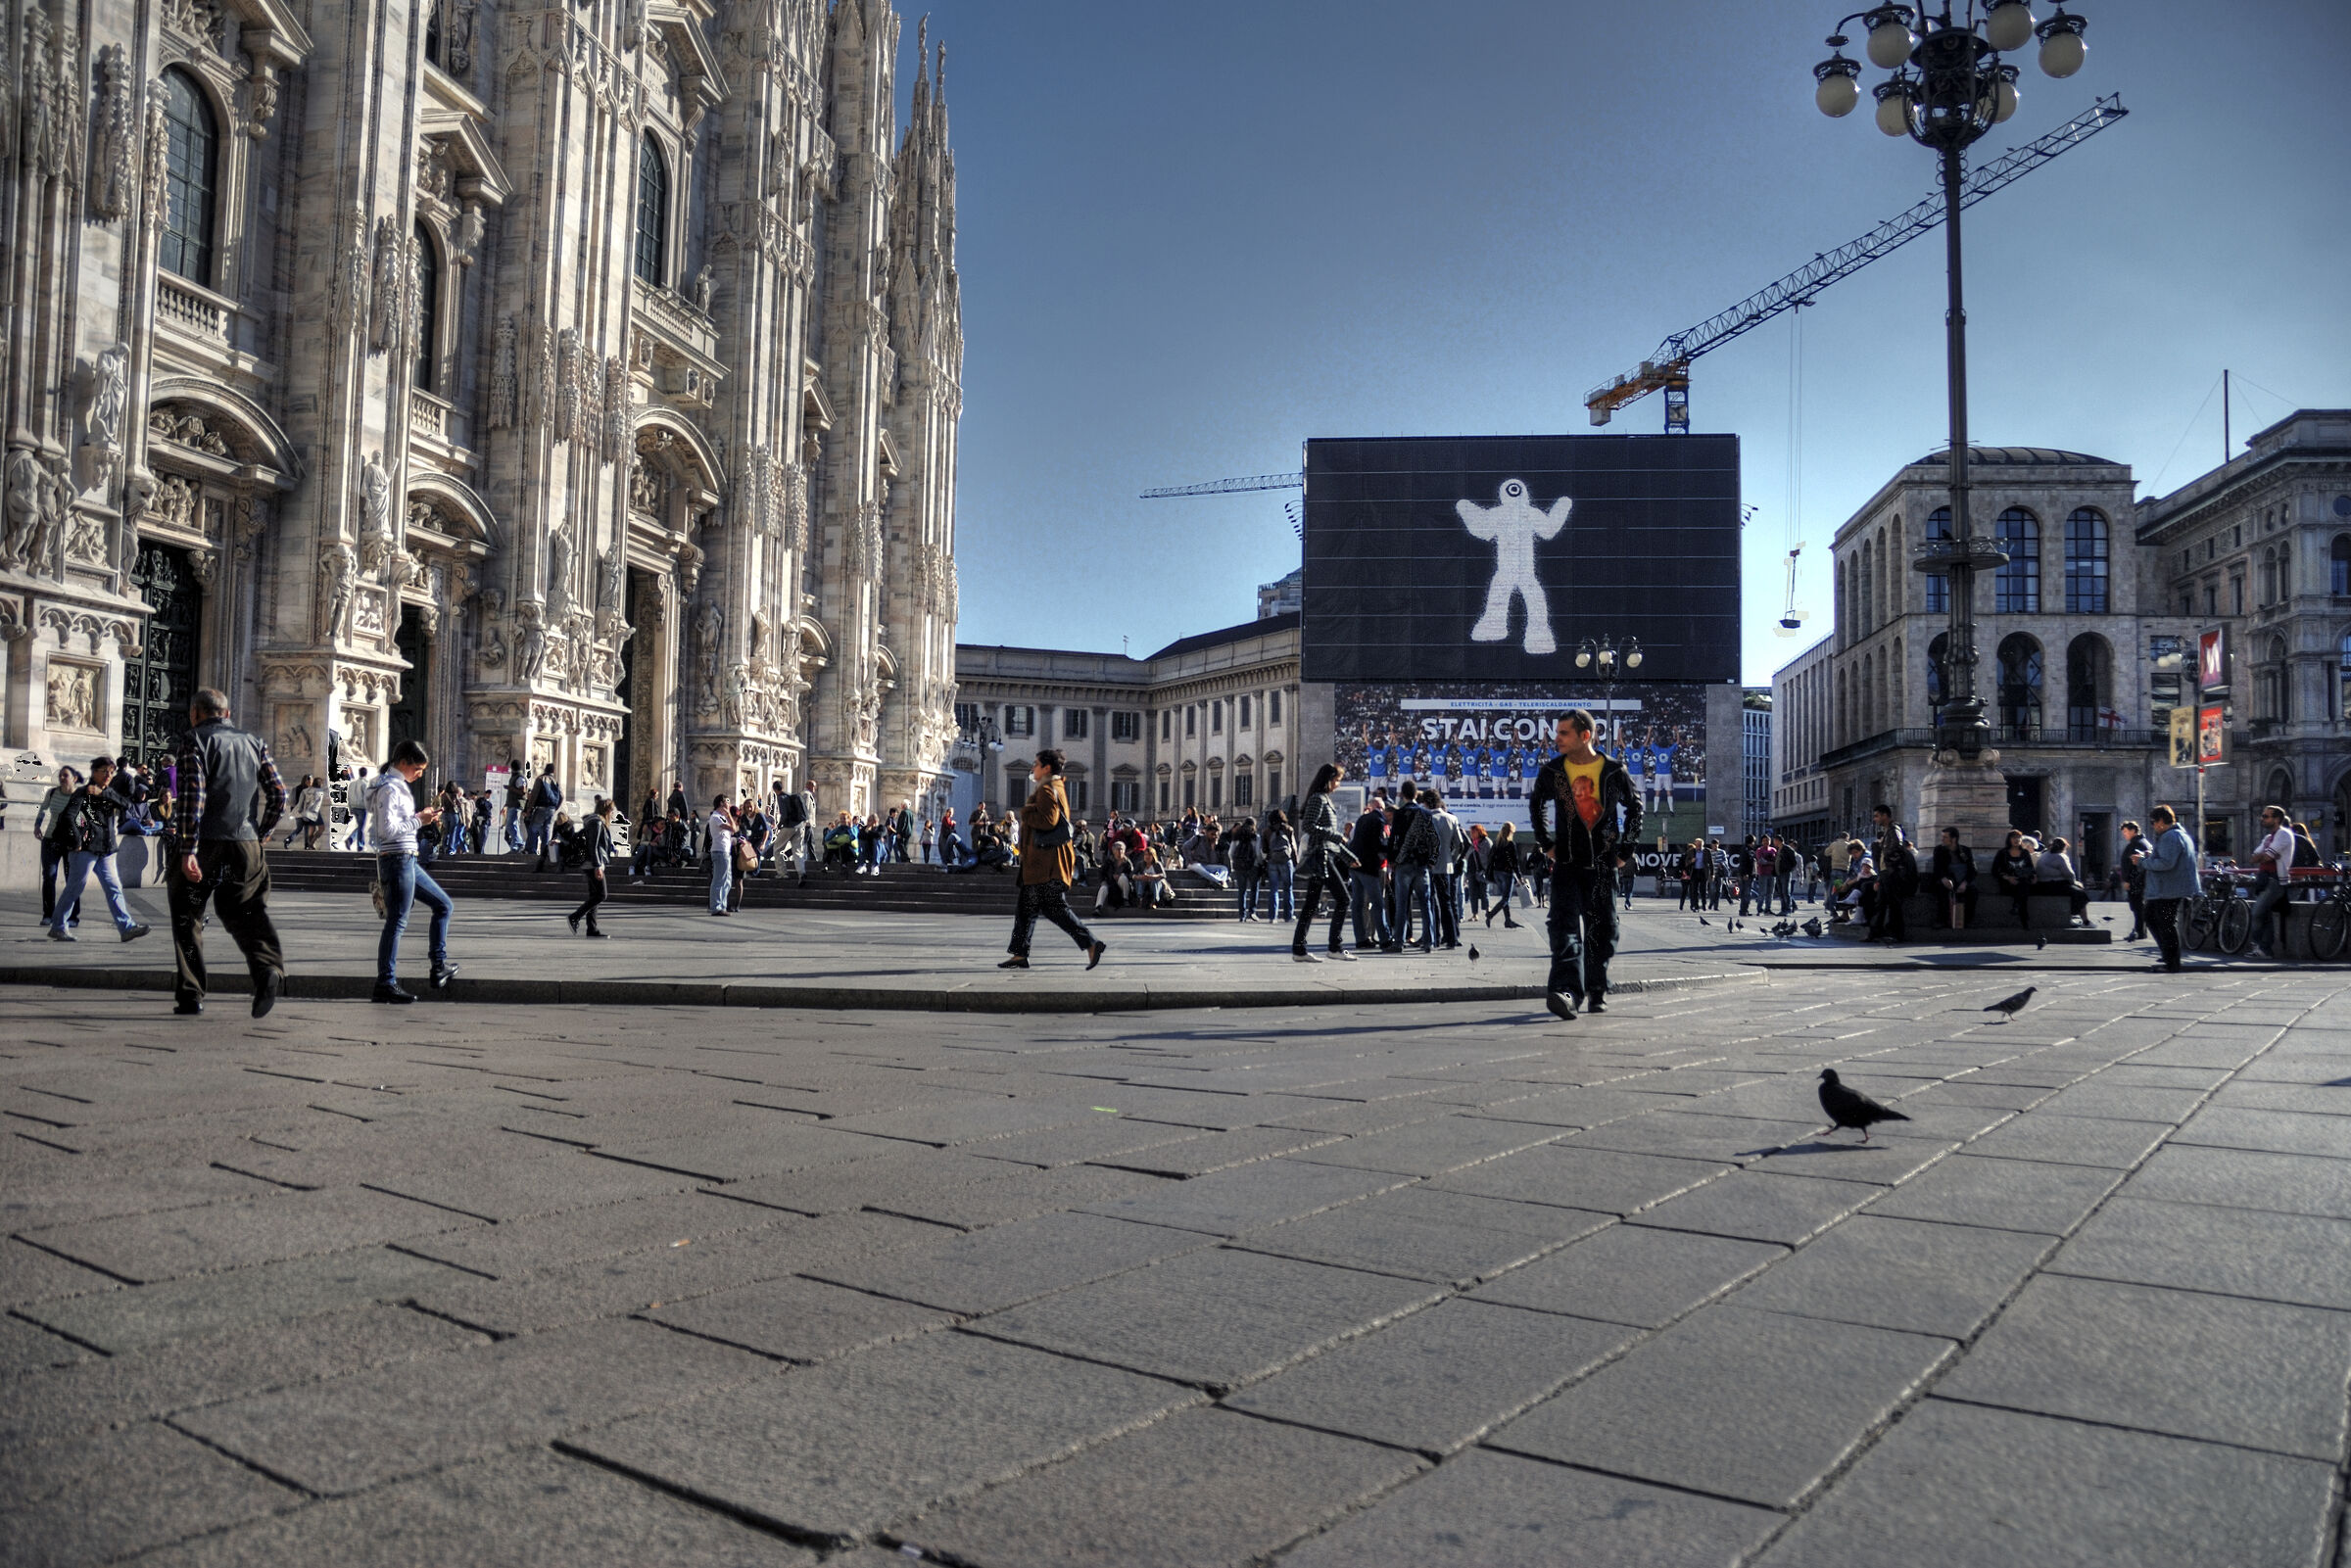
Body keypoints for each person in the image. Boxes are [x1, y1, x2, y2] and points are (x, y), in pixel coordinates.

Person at [168, 689, 290, 1018]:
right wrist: (262, 833)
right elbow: (279, 795)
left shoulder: (195, 740)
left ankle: (191, 995)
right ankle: (267, 970)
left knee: (187, 917)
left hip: (204, 843)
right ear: (227, 712)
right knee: (246, 910)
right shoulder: (254, 741)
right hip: (246, 842)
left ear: (195, 712)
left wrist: (187, 849)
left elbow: (193, 797)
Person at [1531, 710, 1641, 1020]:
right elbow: (1536, 804)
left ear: (1585, 736)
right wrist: (1546, 843)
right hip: (1566, 862)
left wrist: (1626, 849)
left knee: (1603, 929)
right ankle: (1567, 992)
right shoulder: (1552, 771)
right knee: (1563, 928)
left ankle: (1597, 990)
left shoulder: (1613, 770)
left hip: (1603, 863)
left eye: (1564, 733)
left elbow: (1636, 808)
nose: (1557, 738)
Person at [998, 749, 1107, 970]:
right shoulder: (1052, 787)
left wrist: (1026, 811)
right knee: (1027, 908)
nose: (1033, 768)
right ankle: (1019, 953)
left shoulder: (1047, 789)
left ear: (1046, 768)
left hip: (1046, 863)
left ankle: (1091, 943)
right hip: (1042, 862)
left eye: (1036, 764)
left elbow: (1048, 821)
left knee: (1053, 907)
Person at [367, 739, 457, 1002]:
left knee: (443, 905)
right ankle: (385, 982)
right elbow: (387, 831)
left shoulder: (394, 786)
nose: (419, 774)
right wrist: (420, 820)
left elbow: (396, 825)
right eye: (418, 768)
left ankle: (438, 966)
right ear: (404, 762)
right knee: (397, 921)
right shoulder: (389, 788)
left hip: (407, 859)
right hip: (397, 860)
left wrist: (421, 817)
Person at [45, 756, 154, 945]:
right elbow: (69, 817)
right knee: (75, 888)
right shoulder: (82, 793)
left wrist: (103, 794)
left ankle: (126, 928)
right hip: (85, 849)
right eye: (104, 771)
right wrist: (77, 839)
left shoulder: (108, 792)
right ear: (94, 772)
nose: (108, 775)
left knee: (114, 888)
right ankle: (58, 926)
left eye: (111, 772)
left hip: (106, 850)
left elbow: (126, 804)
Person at [1290, 763, 1358, 962]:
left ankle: (1300, 950)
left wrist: (1349, 857)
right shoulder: (1318, 799)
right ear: (1328, 779)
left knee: (1311, 905)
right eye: (1337, 780)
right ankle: (1334, 947)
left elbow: (1332, 840)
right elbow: (1309, 826)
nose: (1338, 784)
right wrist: (1336, 836)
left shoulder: (1324, 799)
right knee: (1343, 899)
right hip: (1321, 857)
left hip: (1326, 855)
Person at [2140, 803, 2198, 973]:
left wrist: (2143, 862)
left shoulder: (2170, 837)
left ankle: (2172, 963)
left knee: (2165, 924)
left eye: (2153, 822)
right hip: (2169, 888)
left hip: (2168, 889)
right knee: (2152, 918)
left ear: (2160, 821)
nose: (2152, 826)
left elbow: (2166, 863)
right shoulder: (2180, 835)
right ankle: (2168, 957)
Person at [34, 765, 85, 930]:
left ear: (74, 778)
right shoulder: (52, 793)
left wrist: (82, 838)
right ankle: (48, 914)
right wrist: (37, 825)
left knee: (72, 879)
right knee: (49, 877)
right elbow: (43, 810)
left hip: (71, 843)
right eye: (61, 775)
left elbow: (84, 820)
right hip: (50, 840)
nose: (62, 778)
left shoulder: (80, 796)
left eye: (66, 775)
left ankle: (73, 917)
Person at [2246, 804, 2297, 959]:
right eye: (2262, 815)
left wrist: (2266, 855)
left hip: (2275, 880)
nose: (2262, 819)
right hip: (2263, 878)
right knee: (2264, 914)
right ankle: (2264, 949)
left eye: (2266, 816)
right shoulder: (2268, 838)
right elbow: (2253, 858)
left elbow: (2266, 856)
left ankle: (2259, 945)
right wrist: (2266, 855)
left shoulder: (2284, 835)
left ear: (2277, 819)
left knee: (2257, 912)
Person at [568, 796, 616, 938]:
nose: (612, 814)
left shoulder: (594, 822)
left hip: (591, 863)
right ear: (607, 810)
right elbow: (593, 845)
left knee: (594, 895)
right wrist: (597, 866)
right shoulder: (597, 823)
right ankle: (575, 916)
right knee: (602, 894)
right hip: (593, 864)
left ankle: (592, 929)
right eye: (612, 811)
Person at [1347, 795, 1391, 952]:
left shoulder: (1362, 819)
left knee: (1357, 904)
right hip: (1368, 867)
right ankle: (1385, 938)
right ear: (1382, 809)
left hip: (1355, 865)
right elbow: (1378, 844)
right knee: (1377, 903)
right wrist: (1390, 851)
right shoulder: (1379, 821)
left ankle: (1361, 939)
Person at [1427, 789, 1464, 948]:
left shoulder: (1427, 818)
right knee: (1447, 903)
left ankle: (1434, 937)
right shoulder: (1452, 818)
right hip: (1447, 866)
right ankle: (1452, 938)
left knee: (1431, 903)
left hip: (1429, 866)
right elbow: (1460, 844)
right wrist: (1452, 859)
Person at [2034, 834, 2091, 927]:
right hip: (2055, 885)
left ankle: (2071, 918)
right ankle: (2086, 922)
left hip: (2042, 885)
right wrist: (2075, 883)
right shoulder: (2060, 857)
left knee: (2074, 891)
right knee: (2080, 893)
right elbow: (2069, 874)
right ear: (2064, 847)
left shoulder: (2044, 855)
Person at [1933, 828, 1978, 930]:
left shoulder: (1965, 850)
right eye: (1942, 837)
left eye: (1945, 837)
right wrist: (1944, 878)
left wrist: (1965, 883)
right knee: (1941, 890)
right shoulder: (1939, 850)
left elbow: (1973, 870)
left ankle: (1968, 921)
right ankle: (1942, 920)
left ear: (1954, 839)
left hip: (1962, 880)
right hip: (1948, 879)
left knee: (1972, 891)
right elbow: (1938, 868)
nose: (1942, 839)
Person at [1484, 824, 1526, 928]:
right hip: (1507, 873)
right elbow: (1515, 862)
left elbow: (1490, 859)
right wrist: (1520, 876)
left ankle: (1508, 921)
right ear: (1510, 832)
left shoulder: (1497, 843)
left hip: (1497, 873)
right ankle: (1490, 914)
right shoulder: (1510, 844)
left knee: (1504, 898)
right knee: (1506, 899)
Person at [1991, 830, 2034, 928]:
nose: (2016, 840)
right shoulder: (2002, 853)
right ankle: (2024, 919)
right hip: (2007, 883)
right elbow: (1994, 870)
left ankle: (2017, 907)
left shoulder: (2025, 853)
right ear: (2009, 839)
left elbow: (2030, 868)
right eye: (2014, 837)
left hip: (2022, 881)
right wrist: (2007, 877)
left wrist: (2033, 876)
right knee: (2023, 891)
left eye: (2018, 838)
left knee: (2023, 886)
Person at [1263, 809, 1297, 923]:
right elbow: (1293, 847)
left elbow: (1264, 849)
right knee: (1288, 889)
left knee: (1273, 890)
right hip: (1286, 861)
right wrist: (1296, 862)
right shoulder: (1288, 829)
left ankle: (1273, 917)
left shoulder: (1267, 831)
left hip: (1272, 861)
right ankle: (1288, 916)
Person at [2118, 820, 2149, 941]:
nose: (2124, 834)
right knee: (2137, 906)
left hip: (2136, 880)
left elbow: (2133, 865)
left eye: (2126, 831)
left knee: (2137, 906)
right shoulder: (2141, 842)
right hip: (2139, 880)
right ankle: (2139, 930)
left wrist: (2127, 880)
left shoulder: (2137, 844)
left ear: (2133, 831)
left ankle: (2139, 931)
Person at [1228, 815, 1265, 921]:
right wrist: (1260, 863)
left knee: (1242, 891)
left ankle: (1242, 915)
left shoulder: (1237, 836)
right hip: (1253, 866)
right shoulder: (1256, 837)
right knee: (1254, 889)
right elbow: (1258, 853)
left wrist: (1236, 861)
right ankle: (1252, 911)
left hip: (1240, 867)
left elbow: (1231, 852)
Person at [527, 765, 562, 870]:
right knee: (547, 831)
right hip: (552, 809)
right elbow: (562, 796)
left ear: (545, 769)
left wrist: (529, 807)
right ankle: (544, 852)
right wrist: (556, 807)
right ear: (553, 771)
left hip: (541, 807)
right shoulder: (555, 781)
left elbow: (534, 794)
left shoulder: (541, 779)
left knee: (533, 828)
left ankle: (532, 850)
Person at [705, 795, 737, 915]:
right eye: (727, 802)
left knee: (727, 880)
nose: (729, 804)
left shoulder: (722, 818)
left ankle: (722, 905)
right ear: (721, 803)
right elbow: (733, 828)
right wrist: (729, 815)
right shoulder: (716, 817)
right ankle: (716, 906)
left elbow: (734, 830)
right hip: (719, 851)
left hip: (725, 851)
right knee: (719, 879)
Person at [343, 768, 371, 850]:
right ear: (366, 774)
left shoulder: (352, 784)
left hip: (354, 807)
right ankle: (358, 844)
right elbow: (367, 796)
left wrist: (350, 807)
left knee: (360, 826)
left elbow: (349, 797)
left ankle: (352, 841)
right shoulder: (364, 784)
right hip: (362, 808)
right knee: (361, 827)